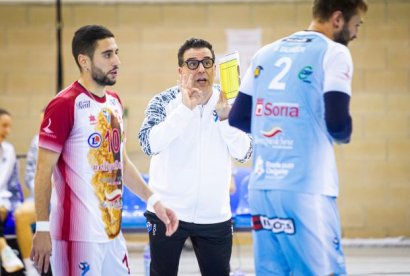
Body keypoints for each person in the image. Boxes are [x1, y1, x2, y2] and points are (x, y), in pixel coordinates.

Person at [228, 0, 368, 275]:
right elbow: (339, 124)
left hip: (262, 189)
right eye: (356, 25)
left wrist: (279, 127)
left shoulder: (265, 52)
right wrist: (343, 132)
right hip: (307, 189)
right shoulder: (334, 52)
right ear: (338, 19)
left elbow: (237, 118)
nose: (356, 34)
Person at [30, 25, 178, 276]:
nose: (117, 61)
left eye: (117, 53)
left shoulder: (114, 102)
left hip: (112, 233)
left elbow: (121, 162)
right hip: (77, 237)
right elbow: (43, 171)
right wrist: (42, 228)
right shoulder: (65, 104)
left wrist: (154, 201)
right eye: (108, 55)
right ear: (84, 61)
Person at [138, 37, 252, 276]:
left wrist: (225, 120)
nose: (201, 68)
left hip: (215, 215)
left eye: (207, 62)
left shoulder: (230, 102)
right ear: (180, 71)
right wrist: (184, 111)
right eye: (192, 63)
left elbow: (245, 152)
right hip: (167, 213)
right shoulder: (163, 101)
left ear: (214, 68)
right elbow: (149, 144)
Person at [14, 110, 45, 276]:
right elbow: (29, 174)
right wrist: (42, 195)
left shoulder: (72, 138)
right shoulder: (36, 141)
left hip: (66, 198)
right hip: (41, 197)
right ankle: (30, 268)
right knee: (21, 215)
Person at [0, 108, 25, 273]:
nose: (7, 131)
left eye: (9, 126)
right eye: (4, 126)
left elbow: (14, 186)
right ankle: (3, 248)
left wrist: (13, 207)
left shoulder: (9, 150)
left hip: (3, 204)